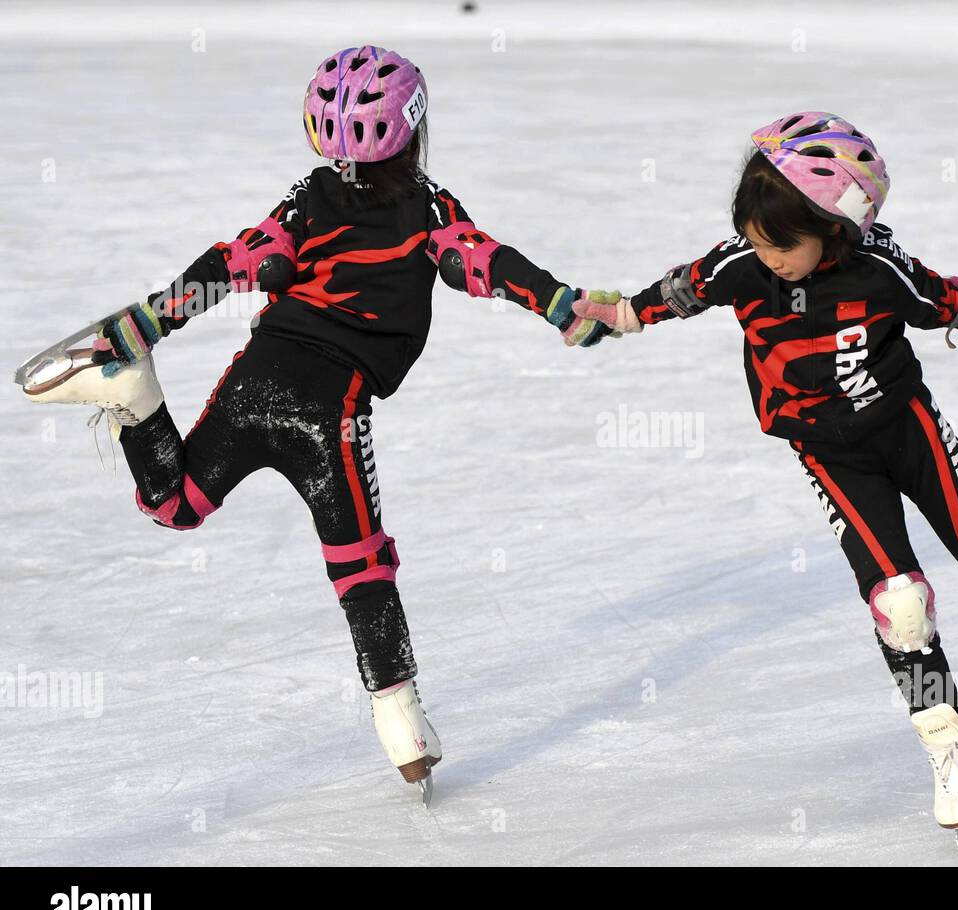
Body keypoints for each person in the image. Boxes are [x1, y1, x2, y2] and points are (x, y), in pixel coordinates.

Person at [21, 45, 618, 801]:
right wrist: (563, 306)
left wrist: (144, 327)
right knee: (362, 567)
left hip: (252, 383)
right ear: (413, 128)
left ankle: (136, 400)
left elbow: (232, 262)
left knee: (173, 505)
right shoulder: (430, 210)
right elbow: (487, 262)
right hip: (326, 415)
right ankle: (404, 731)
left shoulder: (304, 200)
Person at [574, 111, 958, 835]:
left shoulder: (878, 268)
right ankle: (948, 741)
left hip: (904, 427)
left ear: (837, 228)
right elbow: (673, 293)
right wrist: (618, 313)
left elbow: (944, 298)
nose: (767, 255)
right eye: (756, 237)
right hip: (827, 452)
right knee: (900, 602)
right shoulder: (739, 265)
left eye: (784, 243)